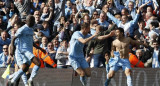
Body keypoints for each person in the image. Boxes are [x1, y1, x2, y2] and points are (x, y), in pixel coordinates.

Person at [8, 15, 42, 86]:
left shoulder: (31, 29)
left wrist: (40, 48)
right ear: (27, 21)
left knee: (24, 69)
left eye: (33, 21)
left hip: (29, 50)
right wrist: (11, 50)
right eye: (31, 21)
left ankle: (12, 81)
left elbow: (31, 42)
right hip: (24, 51)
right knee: (38, 63)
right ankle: (30, 80)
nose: (33, 22)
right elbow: (13, 38)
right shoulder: (22, 29)